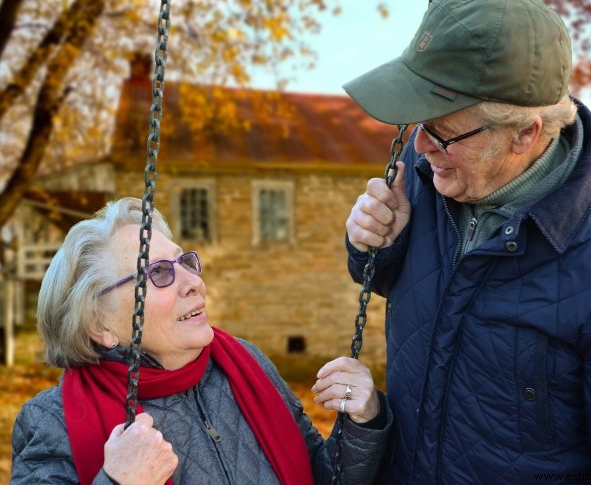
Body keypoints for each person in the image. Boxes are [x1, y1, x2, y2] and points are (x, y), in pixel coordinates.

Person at [343, 0, 591, 483]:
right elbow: (392, 283)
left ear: (525, 134)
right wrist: (374, 244)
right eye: (420, 124)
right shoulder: (431, 167)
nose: (421, 146)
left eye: (442, 133)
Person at [11, 197, 392, 484]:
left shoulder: (246, 363)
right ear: (100, 326)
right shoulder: (52, 421)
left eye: (185, 262)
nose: (194, 283)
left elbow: (322, 476)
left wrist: (362, 421)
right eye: (158, 273)